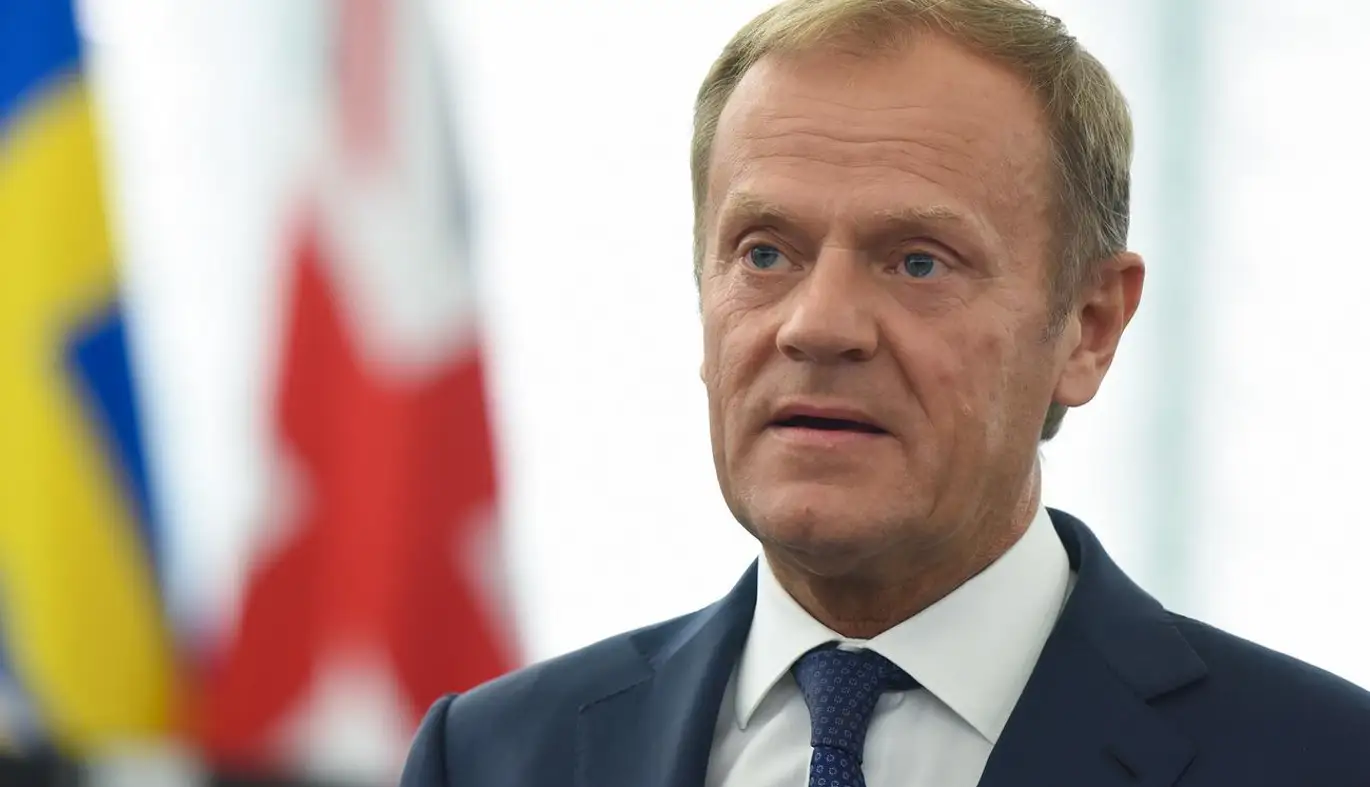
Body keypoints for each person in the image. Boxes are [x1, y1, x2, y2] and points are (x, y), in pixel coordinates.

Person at [400, 0, 1370, 784]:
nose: (817, 325)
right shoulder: (491, 758)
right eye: (765, 253)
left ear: (1088, 327)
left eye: (916, 261)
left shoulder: (1323, 760)